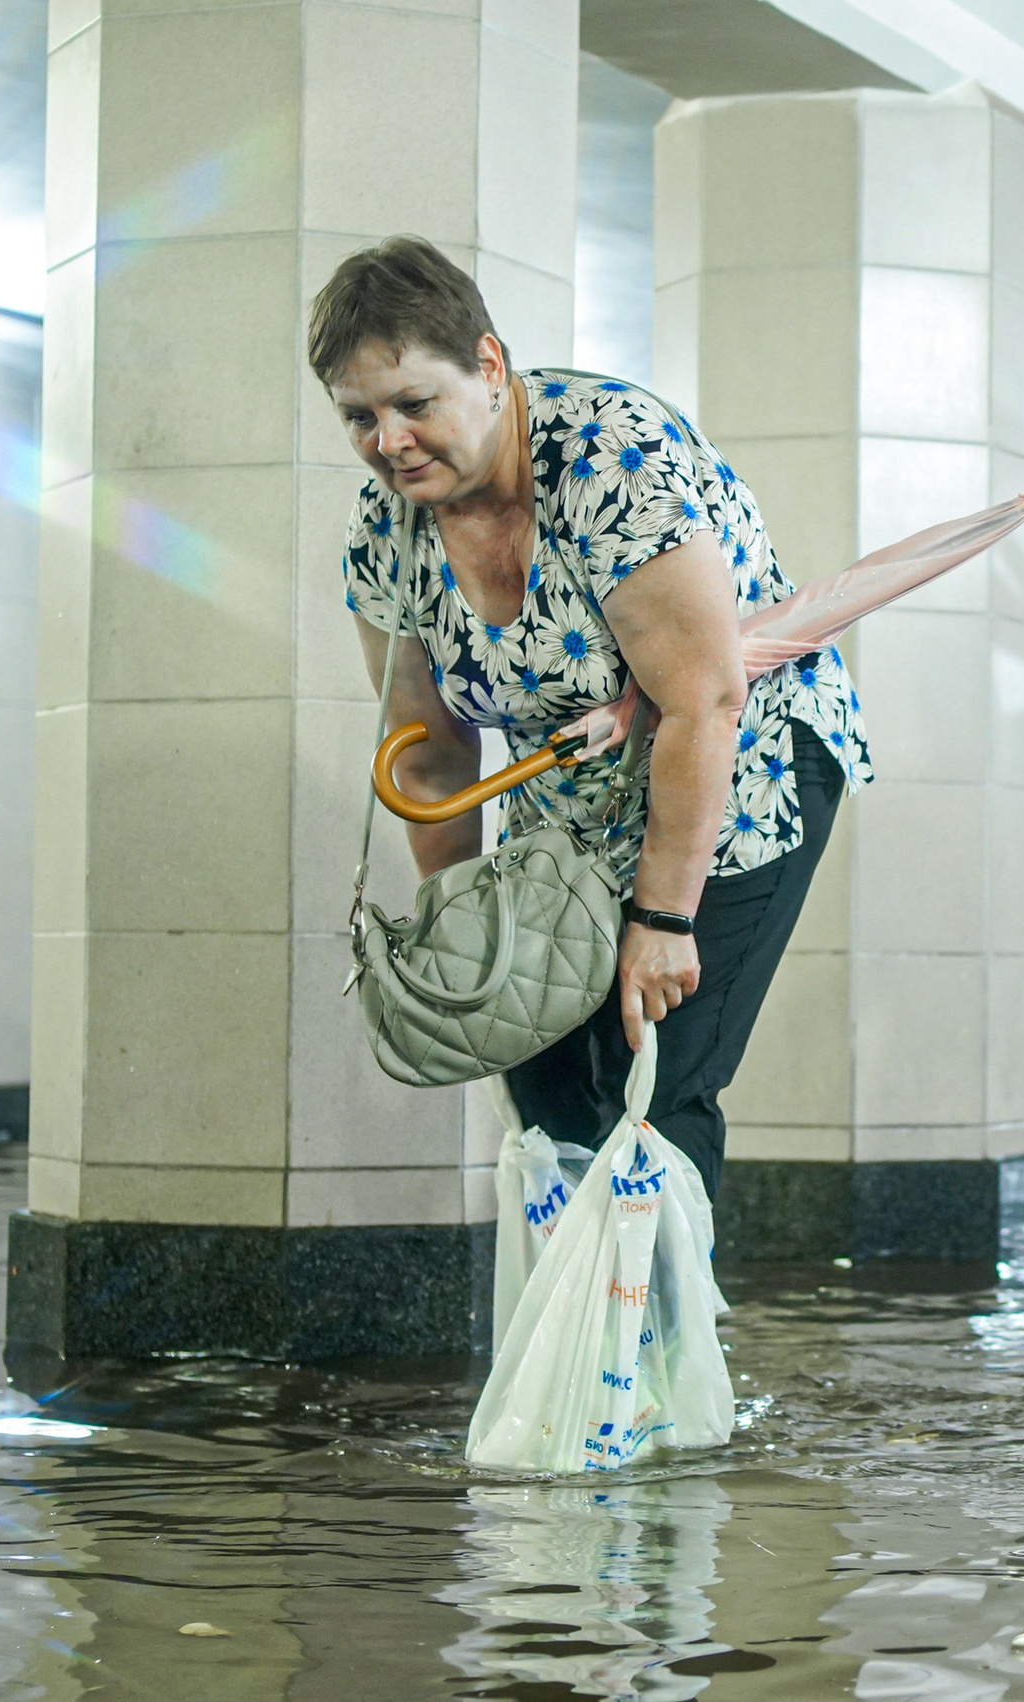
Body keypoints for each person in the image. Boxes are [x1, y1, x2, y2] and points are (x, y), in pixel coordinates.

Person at [316, 238, 871, 1199]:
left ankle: (657, 1296)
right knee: (540, 1081)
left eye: (414, 404)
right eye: (359, 417)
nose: (389, 441)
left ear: (489, 366)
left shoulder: (610, 459)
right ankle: (571, 1296)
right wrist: (466, 925)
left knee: (646, 1076)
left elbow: (704, 698)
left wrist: (662, 917)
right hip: (571, 802)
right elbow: (431, 753)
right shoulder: (387, 530)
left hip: (743, 766)